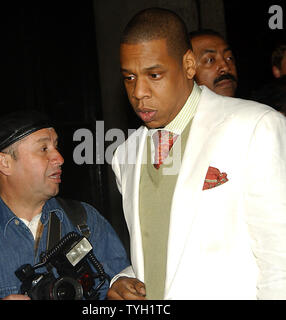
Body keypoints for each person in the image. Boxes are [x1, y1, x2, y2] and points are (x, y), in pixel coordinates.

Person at [107, 7, 286, 300]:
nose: (139, 91)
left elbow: (280, 261)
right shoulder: (125, 155)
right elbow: (168, 248)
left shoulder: (256, 127)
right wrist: (124, 279)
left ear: (188, 65)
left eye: (154, 74)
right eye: (129, 78)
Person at [0, 109, 130, 300]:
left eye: (56, 146)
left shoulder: (85, 222)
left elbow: (120, 290)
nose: (60, 159)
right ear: (5, 163)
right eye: (44, 149)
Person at [189, 29, 238, 97]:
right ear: (188, 68)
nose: (225, 67)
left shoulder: (253, 107)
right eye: (210, 60)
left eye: (229, 58)